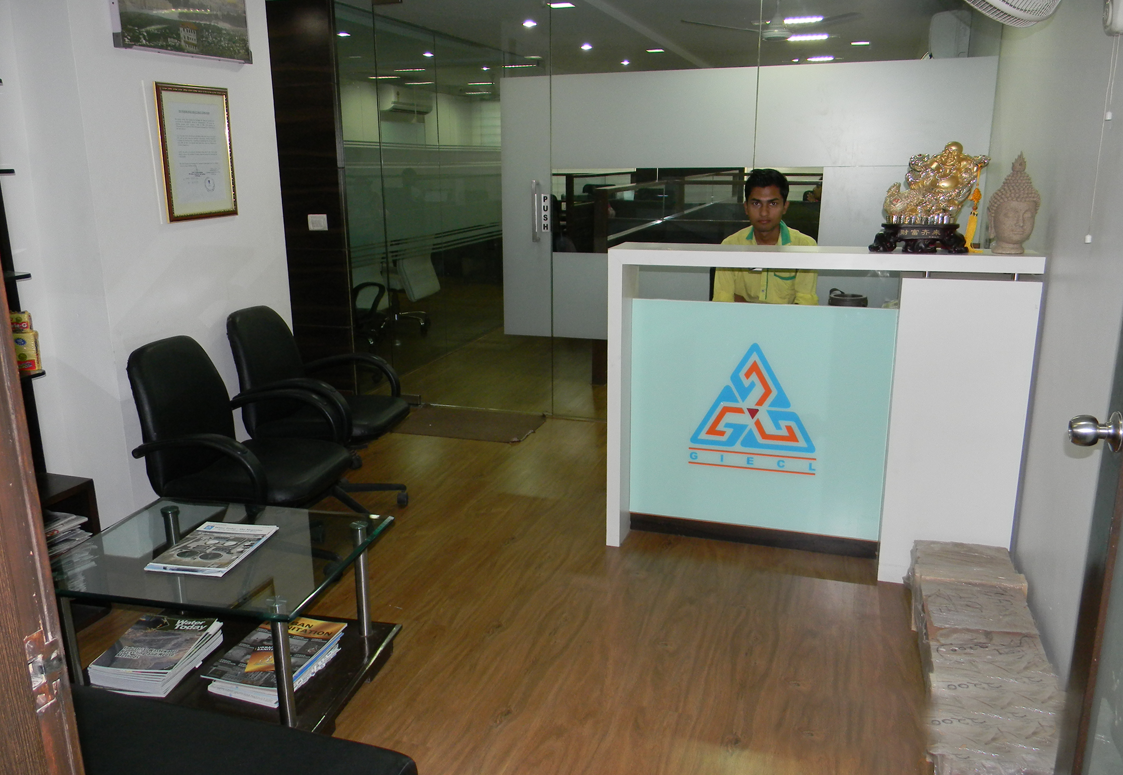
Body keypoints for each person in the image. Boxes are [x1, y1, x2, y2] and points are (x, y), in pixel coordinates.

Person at [712, 168, 818, 304]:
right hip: (741, 319)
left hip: (782, 320)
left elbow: (805, 305)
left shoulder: (804, 246)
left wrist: (743, 302)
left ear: (785, 207)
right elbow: (723, 302)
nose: (764, 212)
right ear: (746, 207)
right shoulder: (730, 245)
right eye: (756, 203)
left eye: (773, 204)